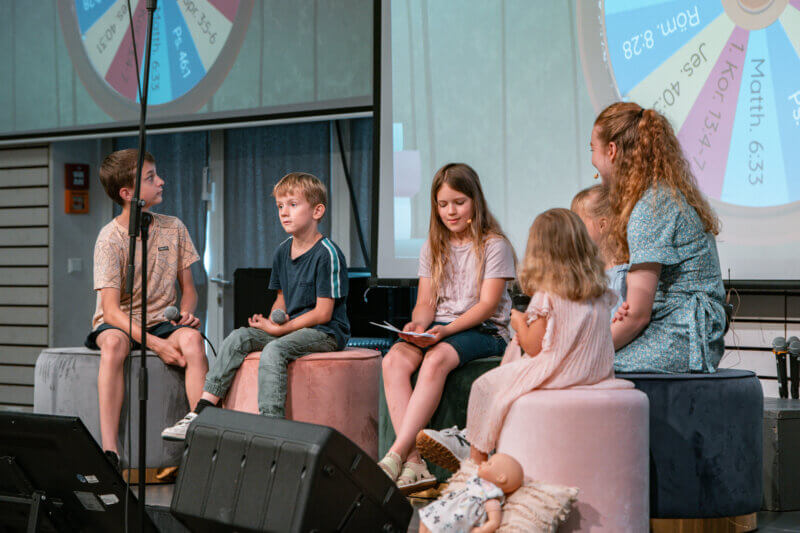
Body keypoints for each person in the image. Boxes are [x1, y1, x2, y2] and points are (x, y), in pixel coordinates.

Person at [418, 209, 616, 469]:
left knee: (486, 386)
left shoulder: (549, 295)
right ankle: (476, 439)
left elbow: (534, 346)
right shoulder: (601, 294)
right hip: (594, 371)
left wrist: (519, 322)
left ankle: (475, 456)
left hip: (559, 372)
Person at [162, 172, 349, 440]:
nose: (284, 213)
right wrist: (274, 321)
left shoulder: (327, 254)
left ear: (317, 210)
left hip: (326, 332)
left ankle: (270, 428)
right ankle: (201, 413)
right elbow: (282, 299)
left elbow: (323, 313)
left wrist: (279, 332)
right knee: (239, 337)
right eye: (280, 207)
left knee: (274, 349)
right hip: (294, 327)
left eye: (293, 205)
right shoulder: (282, 251)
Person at [379, 163, 516, 494]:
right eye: (443, 204)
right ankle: (414, 462)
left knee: (437, 358)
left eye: (458, 202)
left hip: (485, 330)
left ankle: (395, 454)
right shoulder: (432, 245)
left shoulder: (494, 245)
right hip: (443, 325)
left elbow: (486, 306)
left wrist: (444, 331)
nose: (450, 211)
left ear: (474, 202)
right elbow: (426, 302)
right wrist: (418, 325)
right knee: (393, 360)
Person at [86, 149, 207, 470]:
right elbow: (110, 312)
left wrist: (185, 314)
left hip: (162, 321)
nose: (161, 182)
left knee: (193, 340)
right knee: (113, 343)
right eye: (151, 178)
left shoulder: (174, 228)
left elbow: (190, 290)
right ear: (127, 194)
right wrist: (158, 346)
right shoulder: (109, 239)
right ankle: (109, 450)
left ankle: (202, 442)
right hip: (119, 323)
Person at [590, 102, 727, 373]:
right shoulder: (661, 196)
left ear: (612, 150)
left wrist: (583, 351)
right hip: (682, 331)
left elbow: (637, 316)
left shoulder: (650, 208)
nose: (593, 160)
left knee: (585, 369)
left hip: (684, 337)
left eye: (592, 149)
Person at [418, 453, 523, 533]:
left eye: (489, 463)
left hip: (455, 522)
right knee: (425, 521)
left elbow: (494, 522)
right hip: (444, 510)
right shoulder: (477, 482)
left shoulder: (491, 497)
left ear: (501, 478)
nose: (483, 463)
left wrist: (482, 530)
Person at [571, 184, 629, 316]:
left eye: (578, 223)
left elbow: (614, 324)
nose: (573, 231)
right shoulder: (593, 276)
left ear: (602, 225)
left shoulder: (621, 277)